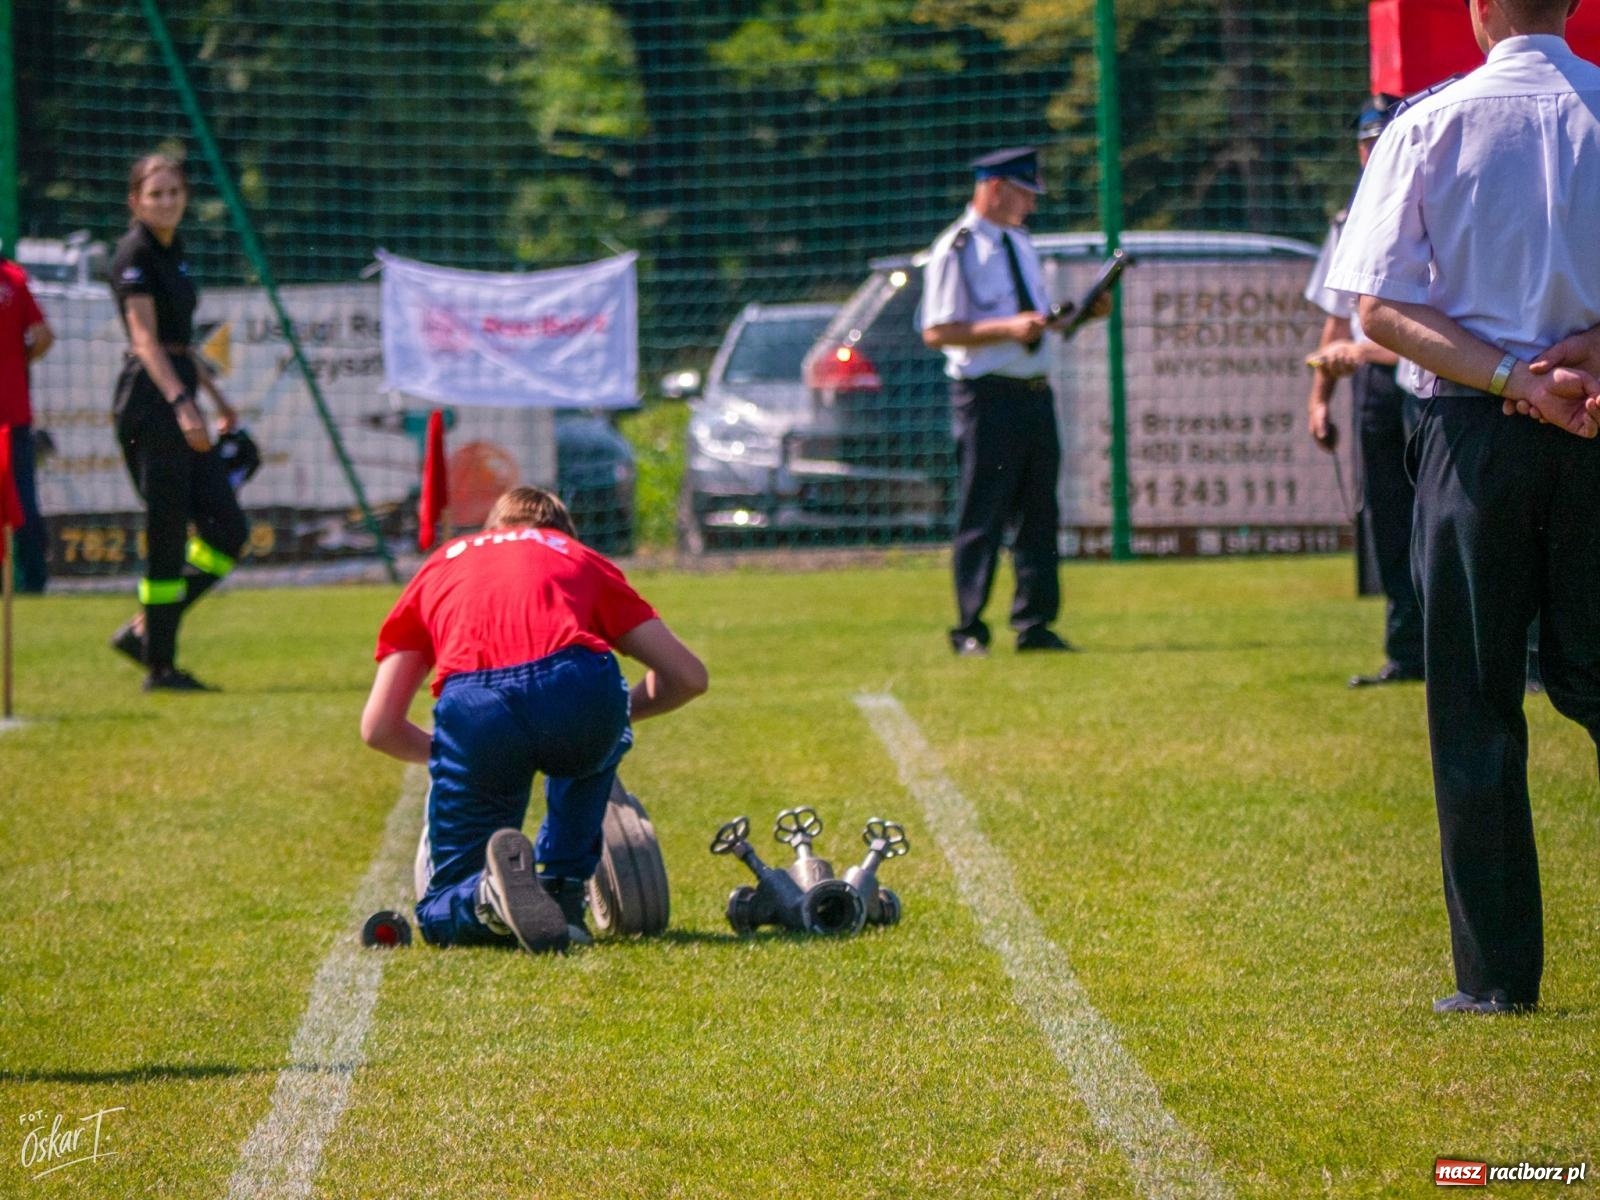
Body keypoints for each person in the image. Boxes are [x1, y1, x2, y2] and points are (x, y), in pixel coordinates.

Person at [1326, 0, 1600, 1015]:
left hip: (1474, 434)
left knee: (1475, 703)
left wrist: (1511, 379)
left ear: (1480, 9)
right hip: (1594, 414)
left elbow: (1379, 308)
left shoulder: (1427, 124)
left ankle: (1495, 981)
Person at [360, 486, 708, 954]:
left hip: (476, 703)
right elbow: (688, 677)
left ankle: (485, 897)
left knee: (440, 908)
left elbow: (379, 727)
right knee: (594, 733)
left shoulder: (443, 562)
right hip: (577, 683)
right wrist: (614, 718)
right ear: (564, 532)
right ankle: (564, 889)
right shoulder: (577, 555)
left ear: (491, 530)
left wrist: (454, 759)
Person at [920, 146, 1110, 658]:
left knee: (1039, 513)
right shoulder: (957, 248)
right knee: (982, 512)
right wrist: (1008, 328)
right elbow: (937, 331)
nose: (1032, 205)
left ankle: (1035, 623)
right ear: (997, 188)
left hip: (1033, 391)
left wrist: (1083, 315)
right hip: (987, 396)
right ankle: (969, 627)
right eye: (1025, 194)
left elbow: (1038, 320)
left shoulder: (1021, 243)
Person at [106, 153, 247, 692]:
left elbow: (179, 343)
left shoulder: (175, 250)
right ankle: (160, 667)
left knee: (228, 531)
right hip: (150, 403)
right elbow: (145, 342)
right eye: (155, 194)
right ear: (135, 201)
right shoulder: (134, 253)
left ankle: (147, 631)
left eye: (173, 192)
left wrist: (217, 398)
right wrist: (183, 404)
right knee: (165, 532)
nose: (166, 202)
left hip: (180, 389)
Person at [1303, 95, 1423, 688]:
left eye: (1384, 140)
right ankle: (1408, 652)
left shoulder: (1426, 201)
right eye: (1367, 143)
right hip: (1373, 384)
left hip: (1428, 378)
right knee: (1389, 517)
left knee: (1449, 520)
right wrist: (1319, 399)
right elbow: (1337, 320)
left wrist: (1361, 350)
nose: (1375, 152)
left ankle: (1503, 655)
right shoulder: (1347, 221)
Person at [0, 251, 54, 593]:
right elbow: (44, 335)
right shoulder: (14, 278)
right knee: (22, 498)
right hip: (13, 411)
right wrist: (18, 362)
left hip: (13, 414)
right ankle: (34, 579)